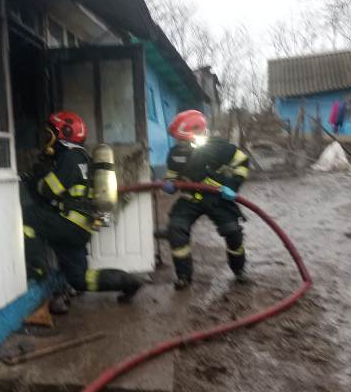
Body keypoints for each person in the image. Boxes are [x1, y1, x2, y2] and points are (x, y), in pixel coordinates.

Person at [23, 111, 143, 311]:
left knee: (27, 216)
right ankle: (128, 281)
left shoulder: (71, 157)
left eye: (50, 134)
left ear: (65, 133)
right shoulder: (82, 158)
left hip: (68, 224)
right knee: (80, 279)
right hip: (79, 227)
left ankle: (38, 270)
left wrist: (36, 178)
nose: (46, 139)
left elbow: (49, 190)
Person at [162, 110, 250, 290]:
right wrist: (169, 184)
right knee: (176, 229)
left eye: (183, 140)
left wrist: (233, 185)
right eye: (178, 140)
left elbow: (242, 162)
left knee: (232, 231)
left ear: (198, 133)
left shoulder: (219, 148)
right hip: (190, 198)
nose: (180, 144)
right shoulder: (175, 153)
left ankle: (239, 270)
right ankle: (183, 276)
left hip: (218, 198)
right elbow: (171, 175)